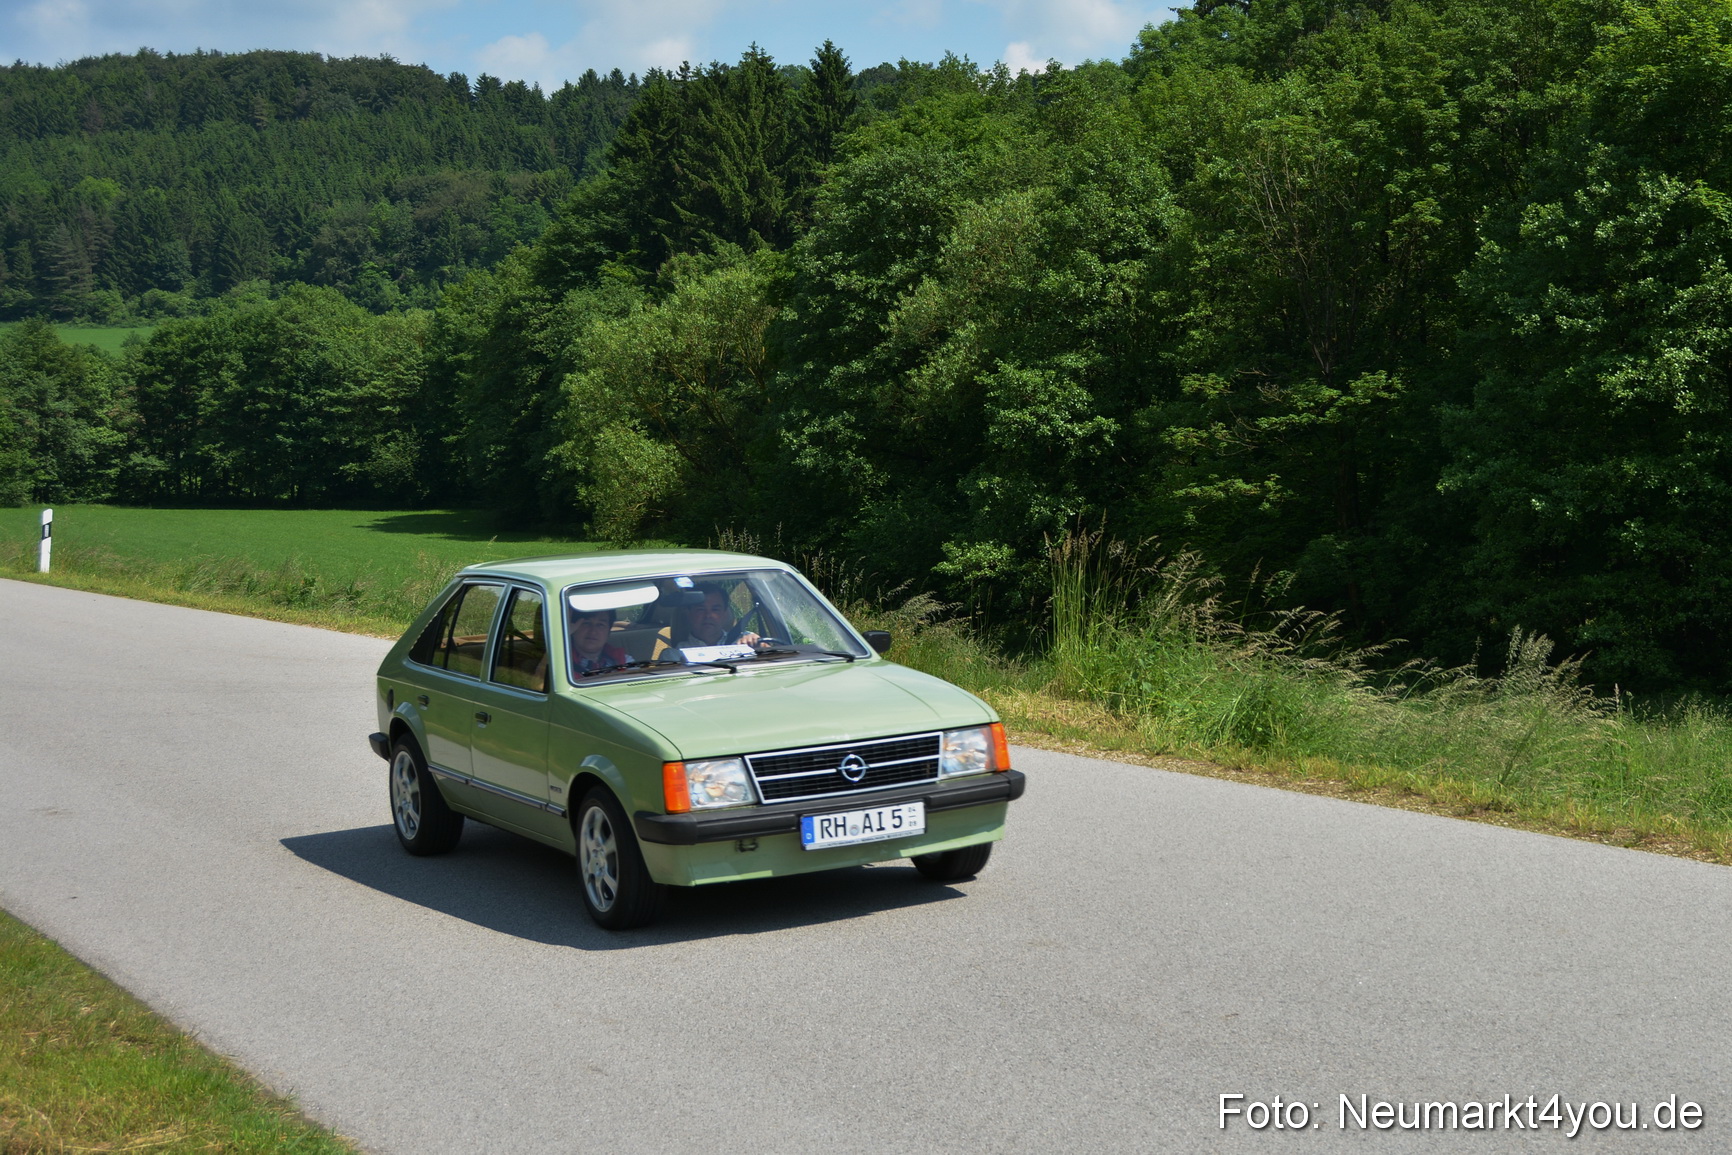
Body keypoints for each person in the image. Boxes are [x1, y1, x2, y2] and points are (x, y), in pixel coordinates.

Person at [676, 584, 761, 649]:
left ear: (725, 613)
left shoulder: (745, 641)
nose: (708, 615)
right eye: (701, 609)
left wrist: (760, 646)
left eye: (715, 609)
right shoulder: (675, 655)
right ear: (689, 613)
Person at [569, 608, 629, 674]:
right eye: (586, 623)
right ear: (574, 628)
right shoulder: (561, 660)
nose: (593, 632)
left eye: (600, 625)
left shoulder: (623, 660)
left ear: (608, 632)